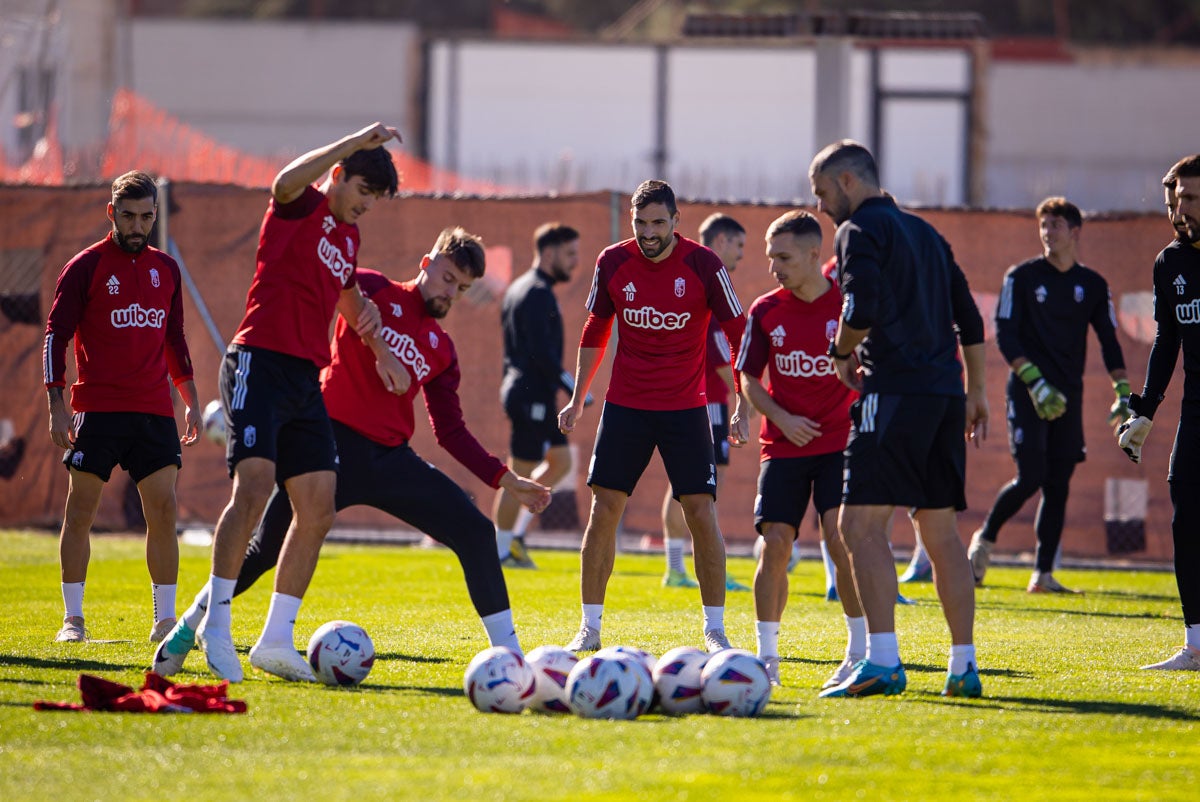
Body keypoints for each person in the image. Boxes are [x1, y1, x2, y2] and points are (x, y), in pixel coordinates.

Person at [154, 229, 552, 675]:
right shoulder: (372, 289)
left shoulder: (443, 349)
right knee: (263, 551)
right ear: (427, 262)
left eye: (462, 287)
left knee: (476, 533)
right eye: (447, 277)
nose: (451, 292)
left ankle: (512, 659)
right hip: (325, 446)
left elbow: (451, 432)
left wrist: (507, 479)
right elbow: (325, 282)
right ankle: (190, 624)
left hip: (389, 460)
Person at [154, 124, 405, 683]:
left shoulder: (347, 238)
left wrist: (380, 346)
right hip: (257, 363)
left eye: (375, 199)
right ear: (339, 176)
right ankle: (216, 625)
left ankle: (273, 640)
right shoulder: (300, 204)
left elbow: (349, 297)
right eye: (363, 190)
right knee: (254, 487)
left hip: (301, 380)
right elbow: (283, 180)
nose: (366, 205)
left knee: (319, 504)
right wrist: (358, 139)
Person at [808, 141, 989, 698]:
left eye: (820, 193)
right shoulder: (928, 234)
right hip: (943, 395)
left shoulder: (858, 231)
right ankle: (963, 668)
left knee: (856, 526)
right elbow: (969, 316)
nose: (819, 206)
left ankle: (883, 662)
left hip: (893, 393)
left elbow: (860, 308)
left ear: (845, 181)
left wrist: (841, 353)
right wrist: (975, 390)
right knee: (940, 533)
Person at [558, 179, 748, 654]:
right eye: (640, 223)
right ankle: (590, 627)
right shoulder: (613, 261)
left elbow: (739, 332)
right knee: (604, 511)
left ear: (676, 222)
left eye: (658, 223)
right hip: (626, 407)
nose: (648, 232)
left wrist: (745, 401)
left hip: (687, 408)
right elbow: (595, 329)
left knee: (701, 513)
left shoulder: (704, 265)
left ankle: (715, 630)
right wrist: (579, 396)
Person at [43, 170, 201, 644]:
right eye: (129, 216)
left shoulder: (166, 269)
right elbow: (56, 336)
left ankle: (165, 621)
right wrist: (56, 404)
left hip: (154, 411)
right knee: (81, 511)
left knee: (164, 511)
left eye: (147, 217)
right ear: (111, 213)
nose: (138, 226)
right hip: (97, 408)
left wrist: (189, 400)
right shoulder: (84, 267)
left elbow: (174, 338)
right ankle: (73, 620)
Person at [968, 198, 1128, 594]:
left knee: (1059, 483)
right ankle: (983, 541)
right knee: (1032, 476)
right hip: (1027, 392)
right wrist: (1036, 382)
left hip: (1069, 396)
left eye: (1055, 225)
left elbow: (1109, 339)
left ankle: (1042, 574)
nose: (1047, 232)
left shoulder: (1093, 284)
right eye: (1043, 226)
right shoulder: (1020, 277)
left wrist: (1123, 391)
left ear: (1075, 232)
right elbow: (1005, 333)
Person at [737, 210, 866, 688]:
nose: (775, 267)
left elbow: (871, 362)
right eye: (771, 257)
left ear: (816, 255)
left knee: (841, 537)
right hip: (784, 445)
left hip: (842, 442)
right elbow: (747, 377)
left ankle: (858, 651)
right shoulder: (765, 310)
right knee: (774, 544)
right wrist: (782, 418)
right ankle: (766, 657)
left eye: (784, 257)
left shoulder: (850, 307)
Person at [1116, 154, 1200, 671]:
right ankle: (1196, 645)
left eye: (1190, 199)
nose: (1179, 211)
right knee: (1186, 514)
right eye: (1173, 202)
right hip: (1197, 411)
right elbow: (1167, 341)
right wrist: (1143, 411)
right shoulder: (1170, 263)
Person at [661, 213, 750, 592]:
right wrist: (752, 398)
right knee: (703, 487)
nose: (742, 256)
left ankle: (677, 567)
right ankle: (691, 568)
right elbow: (723, 362)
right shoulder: (708, 289)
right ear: (720, 242)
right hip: (706, 403)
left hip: (693, 401)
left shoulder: (691, 280)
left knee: (687, 487)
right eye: (739, 245)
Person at [493, 223, 583, 570]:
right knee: (518, 473)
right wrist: (573, 386)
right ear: (549, 253)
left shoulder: (527, 288)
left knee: (560, 463)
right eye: (570, 254)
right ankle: (500, 552)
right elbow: (539, 354)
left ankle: (514, 536)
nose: (574, 263)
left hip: (536, 394)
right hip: (528, 394)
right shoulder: (535, 292)